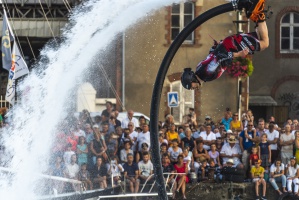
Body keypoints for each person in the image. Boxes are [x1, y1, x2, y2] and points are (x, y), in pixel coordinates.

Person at [180, 0, 269, 90]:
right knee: (259, 37)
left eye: (191, 87)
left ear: (192, 80)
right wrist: (215, 47)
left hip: (233, 46)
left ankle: (258, 10)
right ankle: (253, 13)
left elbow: (220, 56)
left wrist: (239, 54)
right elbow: (212, 54)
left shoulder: (206, 73)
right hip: (229, 44)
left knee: (265, 43)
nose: (193, 89)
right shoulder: (200, 70)